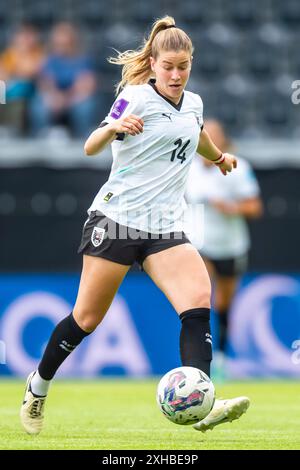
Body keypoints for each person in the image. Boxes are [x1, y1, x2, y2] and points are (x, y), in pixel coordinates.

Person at [20, 16, 250, 435]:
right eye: (169, 67)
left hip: (164, 228)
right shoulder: (135, 97)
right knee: (85, 319)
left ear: (191, 64)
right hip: (117, 222)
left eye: (184, 66)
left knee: (198, 300)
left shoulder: (194, 103)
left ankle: (201, 401)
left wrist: (218, 159)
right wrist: (114, 127)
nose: (176, 74)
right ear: (154, 64)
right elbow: (91, 146)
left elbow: (195, 133)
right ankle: (38, 386)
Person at [186, 119, 263, 379]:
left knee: (223, 304)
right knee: (201, 297)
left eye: (214, 135)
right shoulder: (188, 168)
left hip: (231, 246)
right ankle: (198, 360)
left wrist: (231, 208)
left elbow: (255, 207)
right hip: (200, 244)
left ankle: (219, 357)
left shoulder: (238, 168)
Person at [30, 22, 97, 137]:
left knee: (85, 106)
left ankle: (83, 140)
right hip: (54, 96)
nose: (62, 46)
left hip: (75, 97)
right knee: (38, 105)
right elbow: (45, 83)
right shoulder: (49, 60)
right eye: (59, 43)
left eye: (65, 43)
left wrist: (66, 99)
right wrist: (55, 98)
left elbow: (86, 85)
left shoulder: (83, 60)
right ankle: (40, 137)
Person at [0, 24, 44, 135]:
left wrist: (18, 68)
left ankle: (14, 129)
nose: (26, 40)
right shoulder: (10, 54)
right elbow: (3, 74)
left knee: (19, 90)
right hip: (11, 88)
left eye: (29, 37)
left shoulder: (39, 53)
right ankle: (5, 127)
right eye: (23, 37)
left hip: (32, 89)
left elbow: (31, 72)